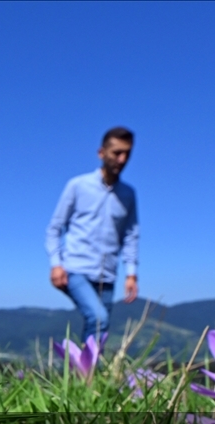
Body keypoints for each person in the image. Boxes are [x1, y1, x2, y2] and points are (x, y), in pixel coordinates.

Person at [45, 127, 139, 346]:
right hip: (76, 268)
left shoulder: (128, 194)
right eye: (117, 152)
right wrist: (56, 264)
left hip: (107, 273)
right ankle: (84, 374)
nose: (122, 159)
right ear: (101, 153)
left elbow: (131, 234)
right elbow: (54, 228)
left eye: (127, 153)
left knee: (100, 329)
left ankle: (89, 377)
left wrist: (132, 273)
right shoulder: (77, 186)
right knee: (98, 319)